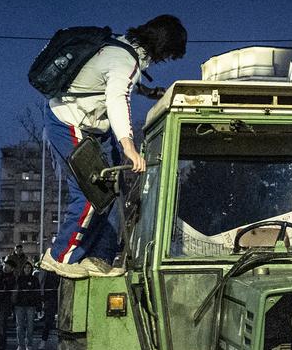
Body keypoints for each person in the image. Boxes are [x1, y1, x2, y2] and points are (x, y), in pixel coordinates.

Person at [40, 15, 187, 279]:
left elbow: (113, 80)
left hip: (95, 125)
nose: (163, 61)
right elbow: (117, 98)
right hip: (69, 121)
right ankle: (60, 256)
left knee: (114, 187)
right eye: (167, 55)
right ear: (162, 46)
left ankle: (100, 257)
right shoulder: (125, 60)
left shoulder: (122, 47)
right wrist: (129, 146)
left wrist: (146, 92)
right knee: (90, 193)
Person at [13, 261, 41, 350]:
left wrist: (38, 306)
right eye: (25, 267)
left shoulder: (35, 279)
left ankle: (29, 345)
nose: (27, 269)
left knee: (30, 326)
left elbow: (38, 293)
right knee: (19, 326)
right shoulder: (19, 279)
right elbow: (15, 292)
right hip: (19, 306)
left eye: (29, 267)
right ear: (23, 269)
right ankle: (20, 345)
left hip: (31, 306)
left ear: (31, 269)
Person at [35, 265, 59, 343]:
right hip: (49, 297)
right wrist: (42, 297)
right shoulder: (46, 269)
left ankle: (44, 340)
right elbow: (41, 282)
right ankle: (43, 340)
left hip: (55, 296)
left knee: (51, 320)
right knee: (49, 320)